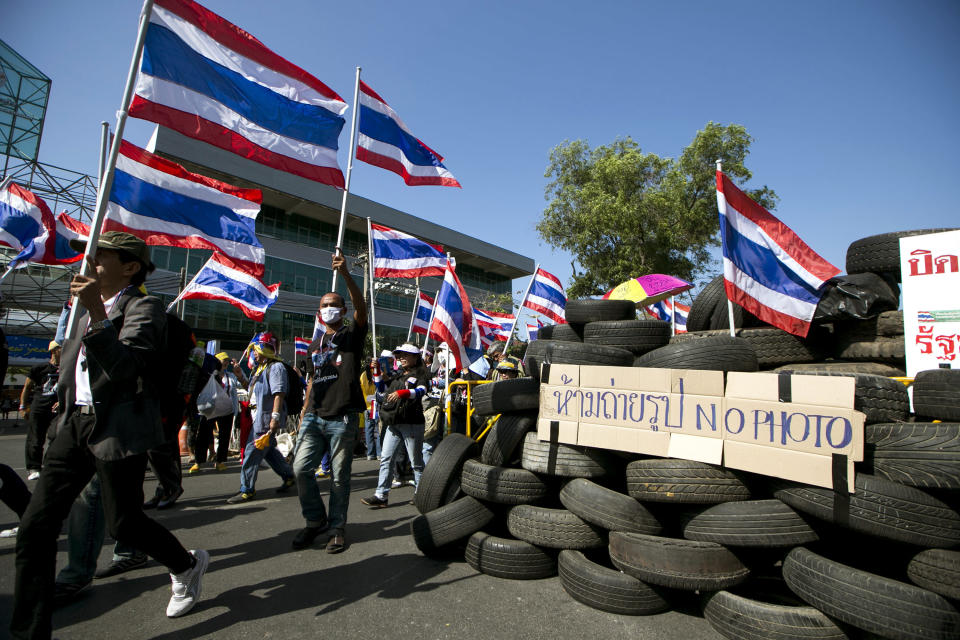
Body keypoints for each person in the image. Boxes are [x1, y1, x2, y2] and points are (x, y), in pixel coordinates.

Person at [11, 232, 210, 639]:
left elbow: (126, 369)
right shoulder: (83, 307)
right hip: (76, 424)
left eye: (99, 257)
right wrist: (63, 405)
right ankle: (28, 632)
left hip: (119, 428)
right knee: (37, 525)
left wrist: (96, 315)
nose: (89, 264)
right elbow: (73, 365)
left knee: (124, 524)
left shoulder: (145, 307)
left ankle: (186, 565)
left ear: (130, 267)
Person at [290, 253, 367, 553]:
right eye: (324, 305)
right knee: (300, 469)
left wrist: (346, 273)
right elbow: (311, 379)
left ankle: (336, 527)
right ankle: (315, 521)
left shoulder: (352, 335)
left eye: (334, 304)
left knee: (339, 478)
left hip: (343, 417)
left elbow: (362, 308)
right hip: (314, 417)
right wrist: (304, 413)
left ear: (343, 310)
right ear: (319, 312)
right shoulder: (314, 345)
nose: (329, 308)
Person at [227, 332, 296, 503]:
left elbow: (278, 393)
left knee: (251, 453)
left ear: (266, 349)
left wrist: (274, 418)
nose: (254, 353)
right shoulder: (259, 369)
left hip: (265, 420)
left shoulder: (276, 367)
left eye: (256, 349)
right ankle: (288, 476)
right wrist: (239, 375)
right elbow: (252, 394)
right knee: (269, 451)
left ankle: (247, 489)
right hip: (258, 417)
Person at [361, 343, 429, 509]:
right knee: (386, 459)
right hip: (393, 423)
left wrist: (402, 393)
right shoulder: (398, 376)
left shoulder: (422, 373)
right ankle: (381, 495)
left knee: (416, 463)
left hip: (411, 423)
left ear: (415, 357)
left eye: (405, 355)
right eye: (399, 355)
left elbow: (422, 390)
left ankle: (420, 494)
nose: (401, 358)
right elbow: (382, 389)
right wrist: (376, 371)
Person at [190, 353, 239, 473]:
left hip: (226, 410)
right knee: (203, 434)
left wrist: (240, 373)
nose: (225, 362)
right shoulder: (208, 375)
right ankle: (198, 462)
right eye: (223, 360)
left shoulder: (231, 376)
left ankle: (220, 461)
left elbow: (240, 387)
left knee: (224, 436)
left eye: (227, 360)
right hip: (210, 409)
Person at [21, 341, 61, 480]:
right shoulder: (39, 368)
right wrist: (23, 406)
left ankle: (50, 465)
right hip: (39, 407)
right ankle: (33, 467)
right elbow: (27, 387)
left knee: (56, 436)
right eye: (61, 348)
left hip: (56, 410)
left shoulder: (67, 369)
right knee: (35, 438)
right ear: (54, 350)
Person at [359, 358, 380, 460]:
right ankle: (379, 453)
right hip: (375, 404)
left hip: (367, 406)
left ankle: (370, 453)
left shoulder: (362, 375)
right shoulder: (376, 373)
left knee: (369, 430)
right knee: (378, 429)